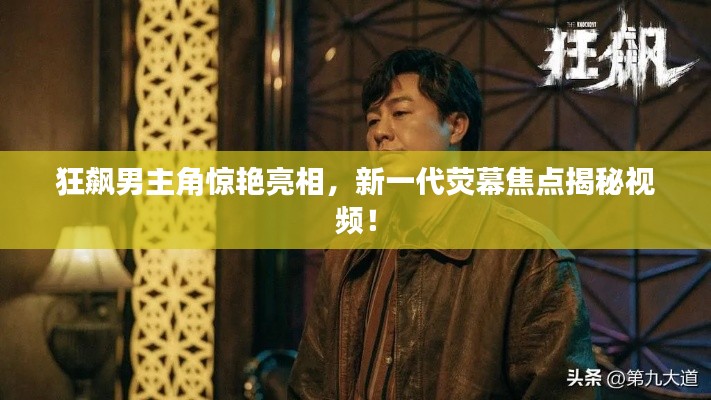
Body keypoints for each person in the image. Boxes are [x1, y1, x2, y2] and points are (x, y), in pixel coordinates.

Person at [288, 48, 598, 399]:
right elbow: (309, 386)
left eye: (400, 113)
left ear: (456, 126)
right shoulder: (348, 250)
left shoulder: (526, 255)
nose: (380, 133)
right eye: (373, 120)